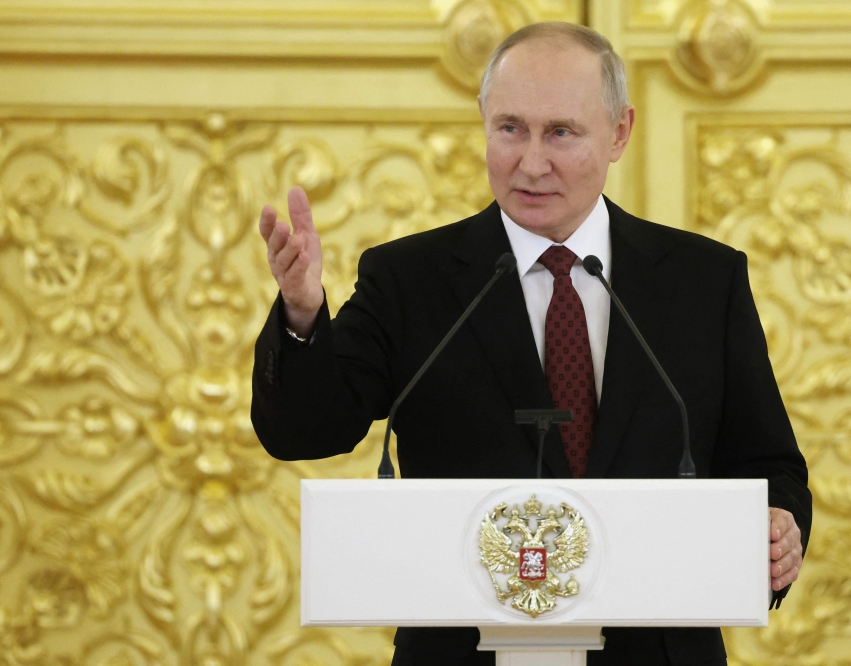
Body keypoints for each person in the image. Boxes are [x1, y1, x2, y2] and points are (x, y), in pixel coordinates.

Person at [252, 21, 810, 666]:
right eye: (511, 128)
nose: (532, 162)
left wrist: (779, 526)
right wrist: (302, 312)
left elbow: (769, 463)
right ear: (483, 121)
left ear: (619, 132)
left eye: (561, 133)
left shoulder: (702, 280)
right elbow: (305, 431)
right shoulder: (410, 279)